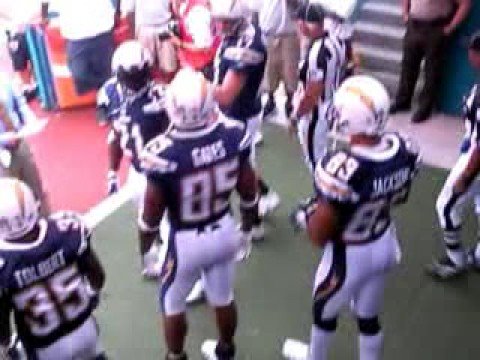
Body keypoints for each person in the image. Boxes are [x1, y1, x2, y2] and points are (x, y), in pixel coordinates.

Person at [282, 75, 420, 360]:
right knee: (368, 316)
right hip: (383, 241)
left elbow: (319, 235)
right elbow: (399, 196)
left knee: (324, 313)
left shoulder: (342, 167)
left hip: (348, 255)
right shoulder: (403, 148)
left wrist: (305, 216)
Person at [138, 68, 261, 360]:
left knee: (172, 303)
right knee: (223, 296)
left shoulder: (162, 152)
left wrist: (145, 249)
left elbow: (151, 214)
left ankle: (176, 356)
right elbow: (249, 190)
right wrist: (245, 229)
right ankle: (226, 349)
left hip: (186, 240)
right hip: (223, 226)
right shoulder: (233, 133)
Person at [0, 178, 106, 359]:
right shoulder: (67, 229)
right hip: (85, 329)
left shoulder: (5, 263)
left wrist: (7, 343)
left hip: (46, 348)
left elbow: (2, 317)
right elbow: (97, 276)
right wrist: (90, 294)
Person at [210, 0, 280, 221]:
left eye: (226, 21)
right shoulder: (238, 36)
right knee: (244, 163)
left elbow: (226, 94)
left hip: (240, 113)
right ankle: (265, 196)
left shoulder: (248, 46)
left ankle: (254, 221)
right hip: (235, 110)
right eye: (220, 20)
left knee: (239, 166)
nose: (221, 26)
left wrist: (196, 85)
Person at [426, 31, 480, 280]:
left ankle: (456, 260)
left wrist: (466, 176)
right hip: (472, 147)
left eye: (472, 49)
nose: (468, 54)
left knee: (446, 206)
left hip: (475, 159)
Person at [390, 0, 471, 123]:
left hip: (435, 27)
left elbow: (465, 4)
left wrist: (450, 28)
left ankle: (425, 108)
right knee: (408, 66)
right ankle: (402, 101)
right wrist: (405, 14)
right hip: (414, 25)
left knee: (432, 71)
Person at [291, 3, 348, 173]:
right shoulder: (337, 41)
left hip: (316, 112)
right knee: (320, 156)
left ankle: (323, 197)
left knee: (315, 160)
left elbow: (313, 92)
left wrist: (296, 115)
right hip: (330, 102)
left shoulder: (317, 51)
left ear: (303, 23)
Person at [0, 74, 51, 217]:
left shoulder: (4, 80)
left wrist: (31, 121)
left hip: (19, 142)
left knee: (36, 188)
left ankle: (46, 222)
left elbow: (20, 105)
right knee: (8, 201)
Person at [44, 0, 117, 94]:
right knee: (79, 74)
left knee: (106, 75)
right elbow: (51, 14)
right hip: (76, 38)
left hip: (102, 32)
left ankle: (105, 102)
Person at [255, 0, 301, 120]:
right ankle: (270, 101)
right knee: (269, 70)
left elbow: (301, 5)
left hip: (288, 34)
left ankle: (290, 102)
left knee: (290, 71)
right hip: (268, 33)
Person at [121, 0, 178, 83]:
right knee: (145, 66)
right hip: (145, 28)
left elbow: (176, 7)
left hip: (165, 26)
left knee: (169, 68)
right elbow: (127, 11)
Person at [169, 0, 220, 81]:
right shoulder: (187, 6)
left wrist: (179, 43)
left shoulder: (196, 13)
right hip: (195, 64)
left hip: (202, 66)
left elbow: (202, 46)